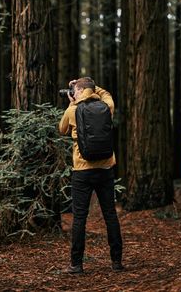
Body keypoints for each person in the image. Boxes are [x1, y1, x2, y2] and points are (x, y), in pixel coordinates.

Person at [59, 77, 123, 274]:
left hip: (82, 171)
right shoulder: (106, 106)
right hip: (105, 169)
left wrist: (72, 103)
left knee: (79, 217)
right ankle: (116, 262)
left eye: (75, 90)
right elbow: (107, 94)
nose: (73, 93)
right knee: (110, 215)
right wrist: (90, 86)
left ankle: (76, 264)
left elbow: (61, 130)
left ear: (79, 90)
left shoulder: (73, 110)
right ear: (93, 89)